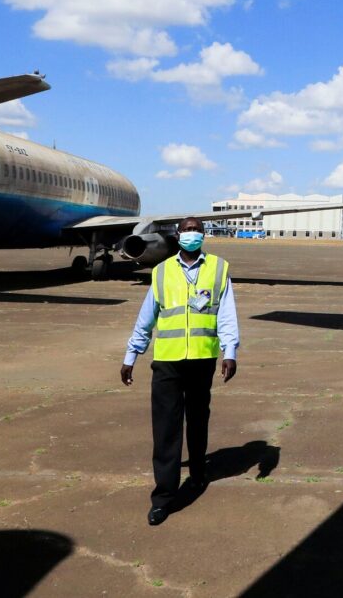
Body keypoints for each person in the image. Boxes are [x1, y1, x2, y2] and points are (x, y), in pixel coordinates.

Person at [120, 217, 239, 525]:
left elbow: (226, 313)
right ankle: (163, 497)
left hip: (201, 360)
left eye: (196, 229)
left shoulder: (218, 268)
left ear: (203, 234)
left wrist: (230, 351)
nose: (191, 234)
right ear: (177, 234)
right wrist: (131, 354)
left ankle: (198, 473)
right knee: (166, 430)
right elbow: (147, 317)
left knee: (198, 421)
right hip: (168, 363)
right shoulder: (161, 272)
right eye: (186, 229)